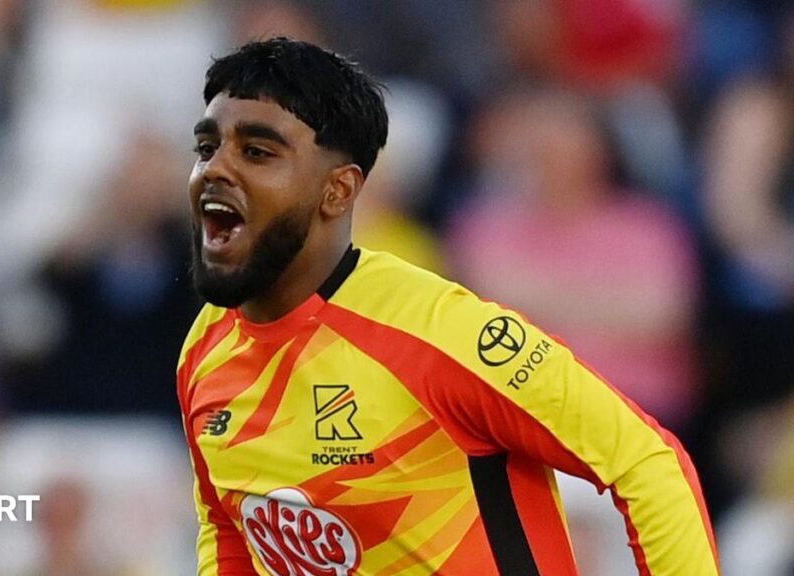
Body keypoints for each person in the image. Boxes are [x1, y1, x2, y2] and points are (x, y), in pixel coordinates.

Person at [176, 37, 718, 575]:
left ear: (338, 191)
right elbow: (228, 534)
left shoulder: (439, 334)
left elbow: (649, 464)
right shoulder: (205, 351)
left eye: (257, 151)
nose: (214, 170)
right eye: (206, 148)